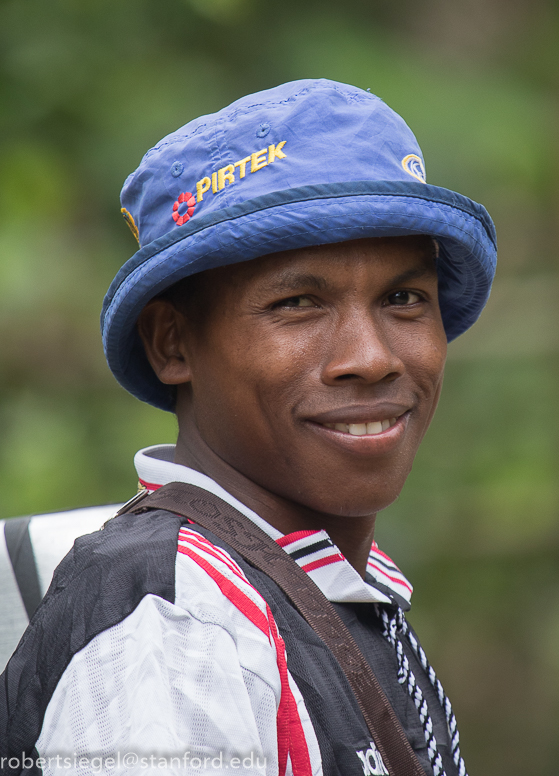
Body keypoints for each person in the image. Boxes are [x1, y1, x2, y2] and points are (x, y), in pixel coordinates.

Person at [0, 78, 496, 776]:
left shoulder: (324, 586)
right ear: (172, 344)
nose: (371, 356)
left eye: (403, 298)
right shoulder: (178, 626)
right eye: (297, 303)